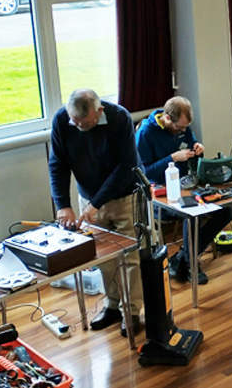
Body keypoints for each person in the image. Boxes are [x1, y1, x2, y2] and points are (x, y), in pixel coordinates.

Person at [48, 89, 143, 337]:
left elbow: (126, 167)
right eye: (75, 122)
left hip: (125, 196)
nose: (79, 127)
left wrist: (96, 203)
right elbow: (57, 164)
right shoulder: (61, 121)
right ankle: (112, 305)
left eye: (86, 123)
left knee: (130, 257)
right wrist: (63, 205)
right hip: (89, 197)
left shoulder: (119, 118)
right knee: (103, 257)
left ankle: (131, 311)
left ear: (98, 112)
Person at [135, 96, 232, 285]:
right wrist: (172, 158)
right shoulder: (146, 133)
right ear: (167, 118)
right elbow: (143, 172)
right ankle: (190, 265)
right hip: (158, 197)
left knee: (226, 211)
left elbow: (191, 150)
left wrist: (199, 149)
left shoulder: (184, 127)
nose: (183, 131)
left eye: (186, 127)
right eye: (180, 128)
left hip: (185, 187)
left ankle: (181, 257)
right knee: (192, 214)